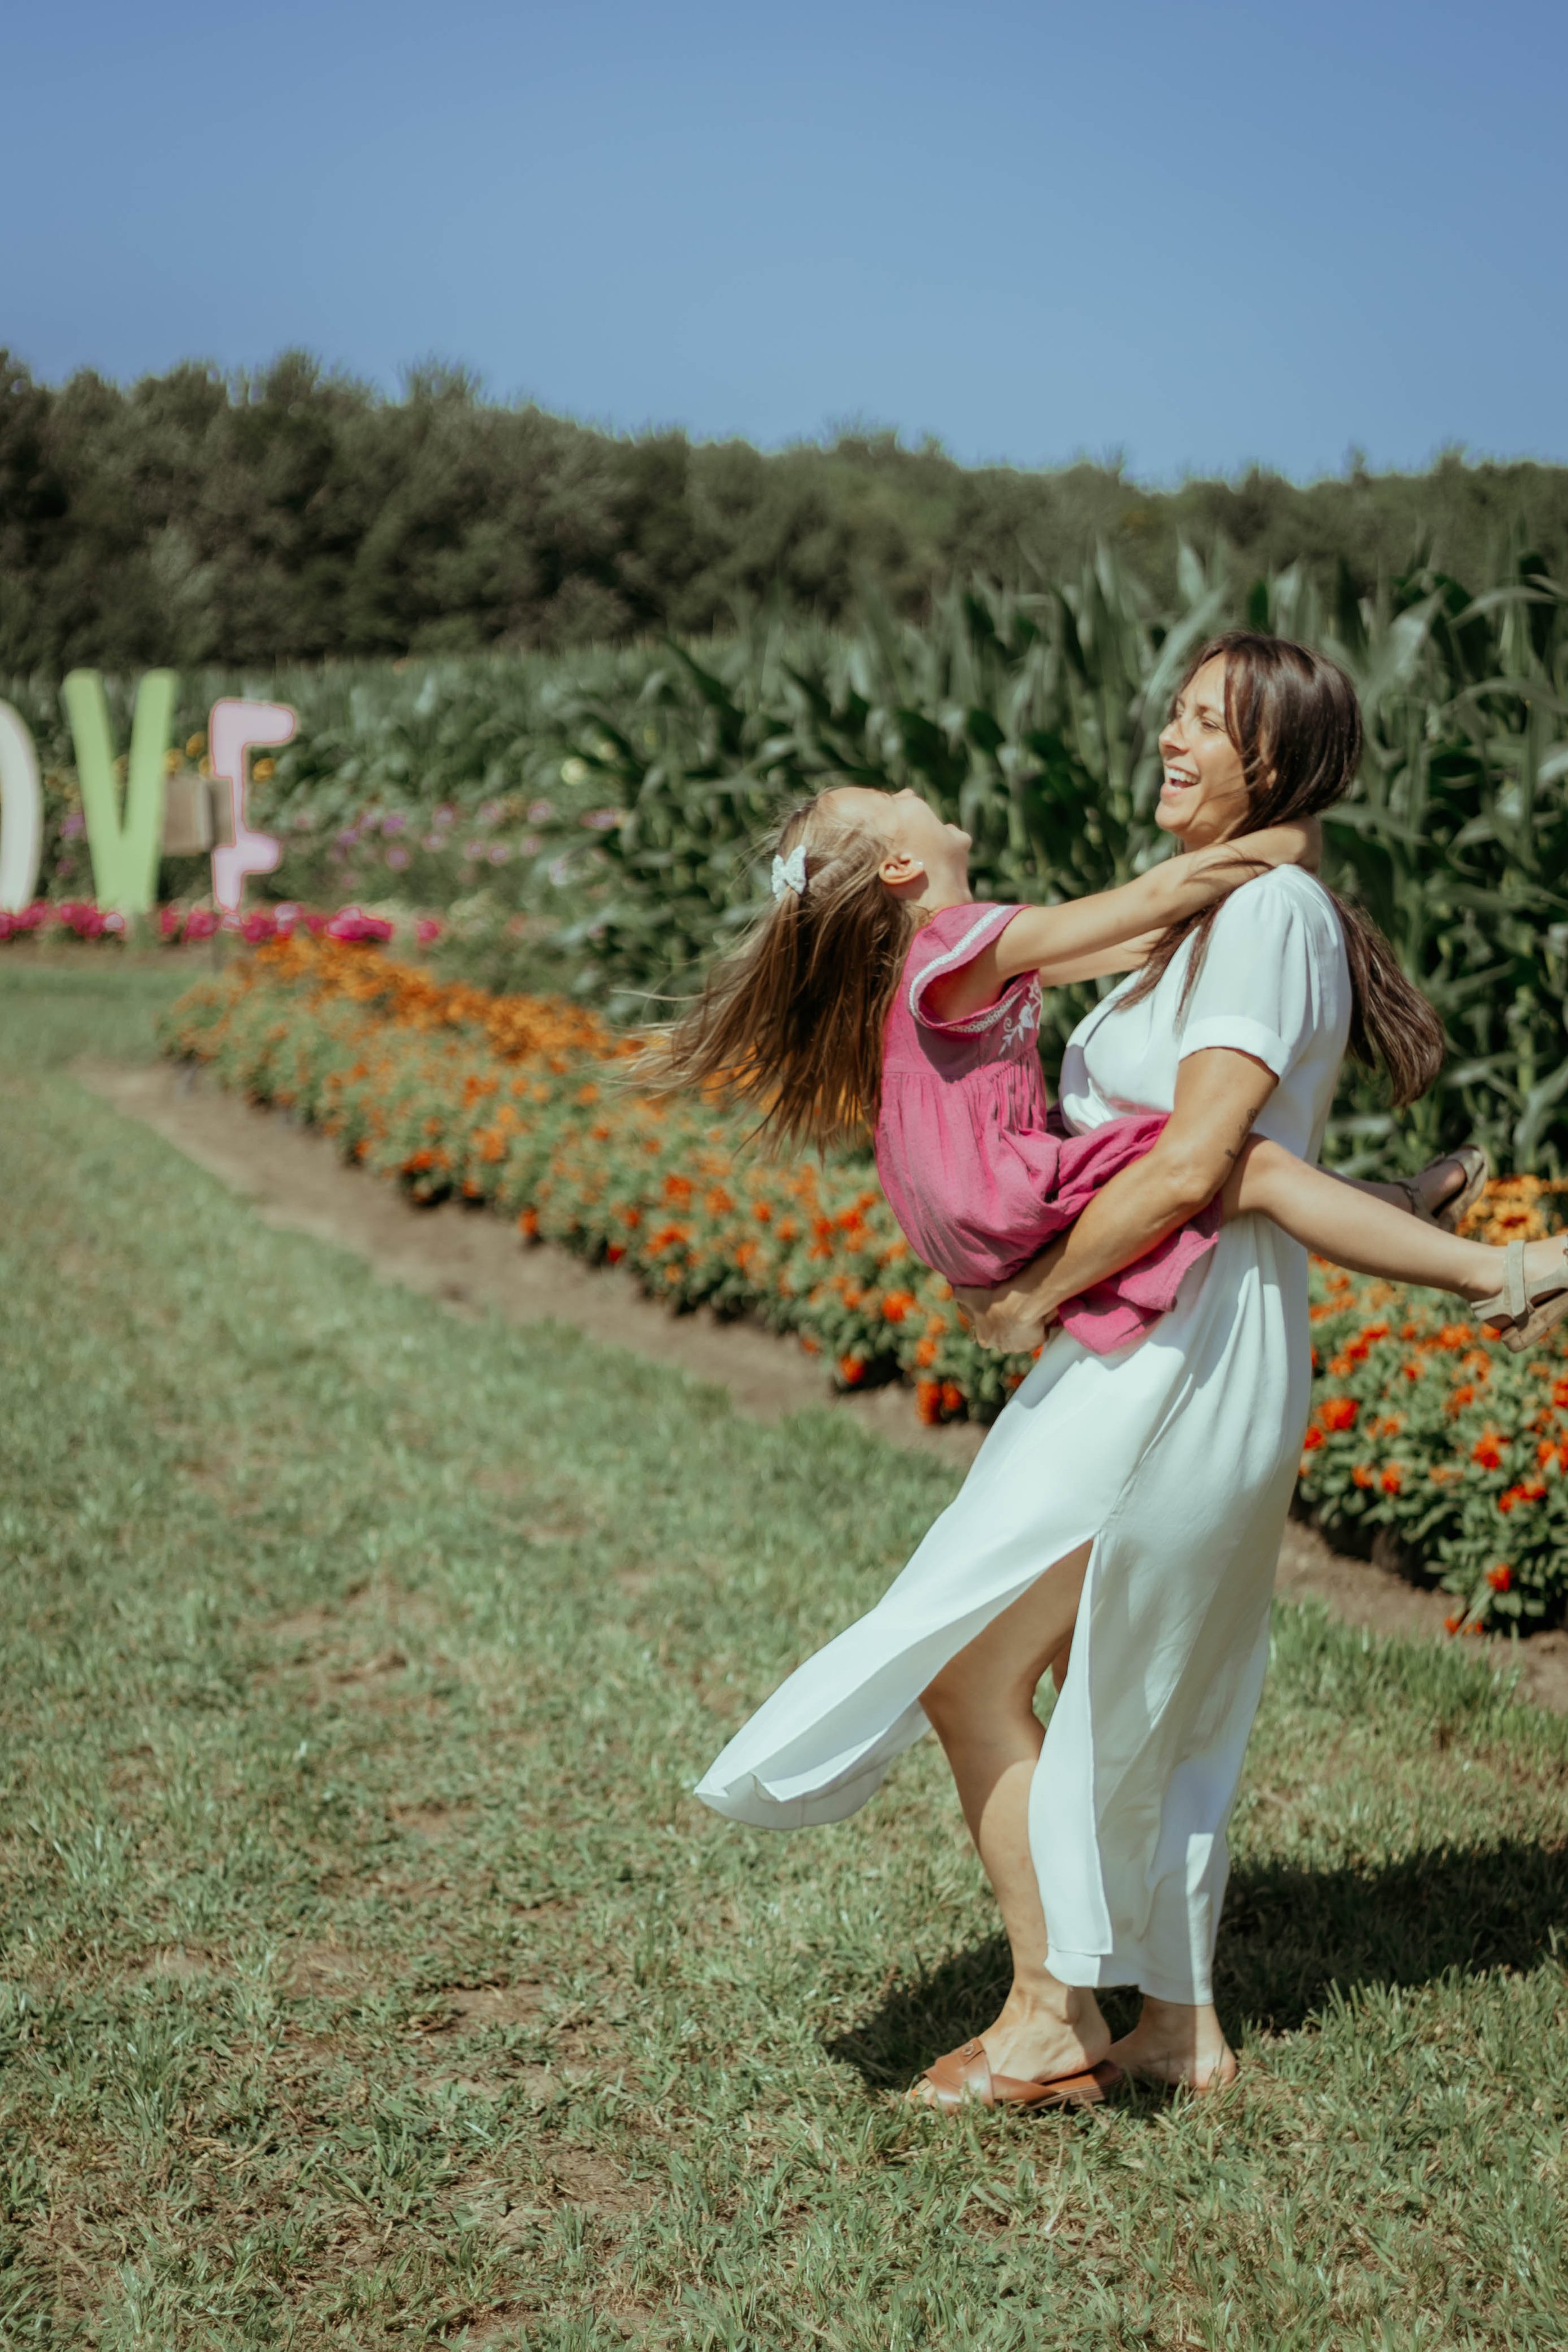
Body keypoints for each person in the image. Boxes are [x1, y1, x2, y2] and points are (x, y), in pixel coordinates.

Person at [683, 632, 1568, 2112]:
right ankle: (1171, 2026)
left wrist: (1030, 1287)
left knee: (985, 1670)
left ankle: (1051, 2017)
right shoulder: (1188, 920)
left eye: (1203, 723)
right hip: (1143, 1324)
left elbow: (1207, 1162)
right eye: (1167, 710)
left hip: (1170, 1338)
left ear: (1274, 762)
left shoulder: (1263, 909)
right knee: (1127, 1673)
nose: (1165, 737)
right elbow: (1187, 1120)